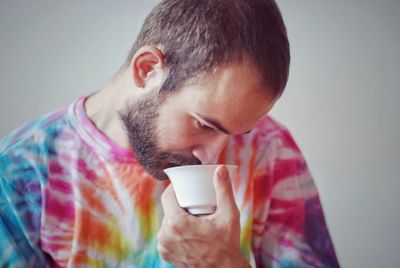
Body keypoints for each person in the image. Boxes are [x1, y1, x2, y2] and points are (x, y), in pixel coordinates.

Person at [0, 0, 340, 267]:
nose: (212, 156)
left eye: (237, 133)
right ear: (147, 69)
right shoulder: (21, 176)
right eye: (205, 125)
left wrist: (224, 264)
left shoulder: (269, 149)